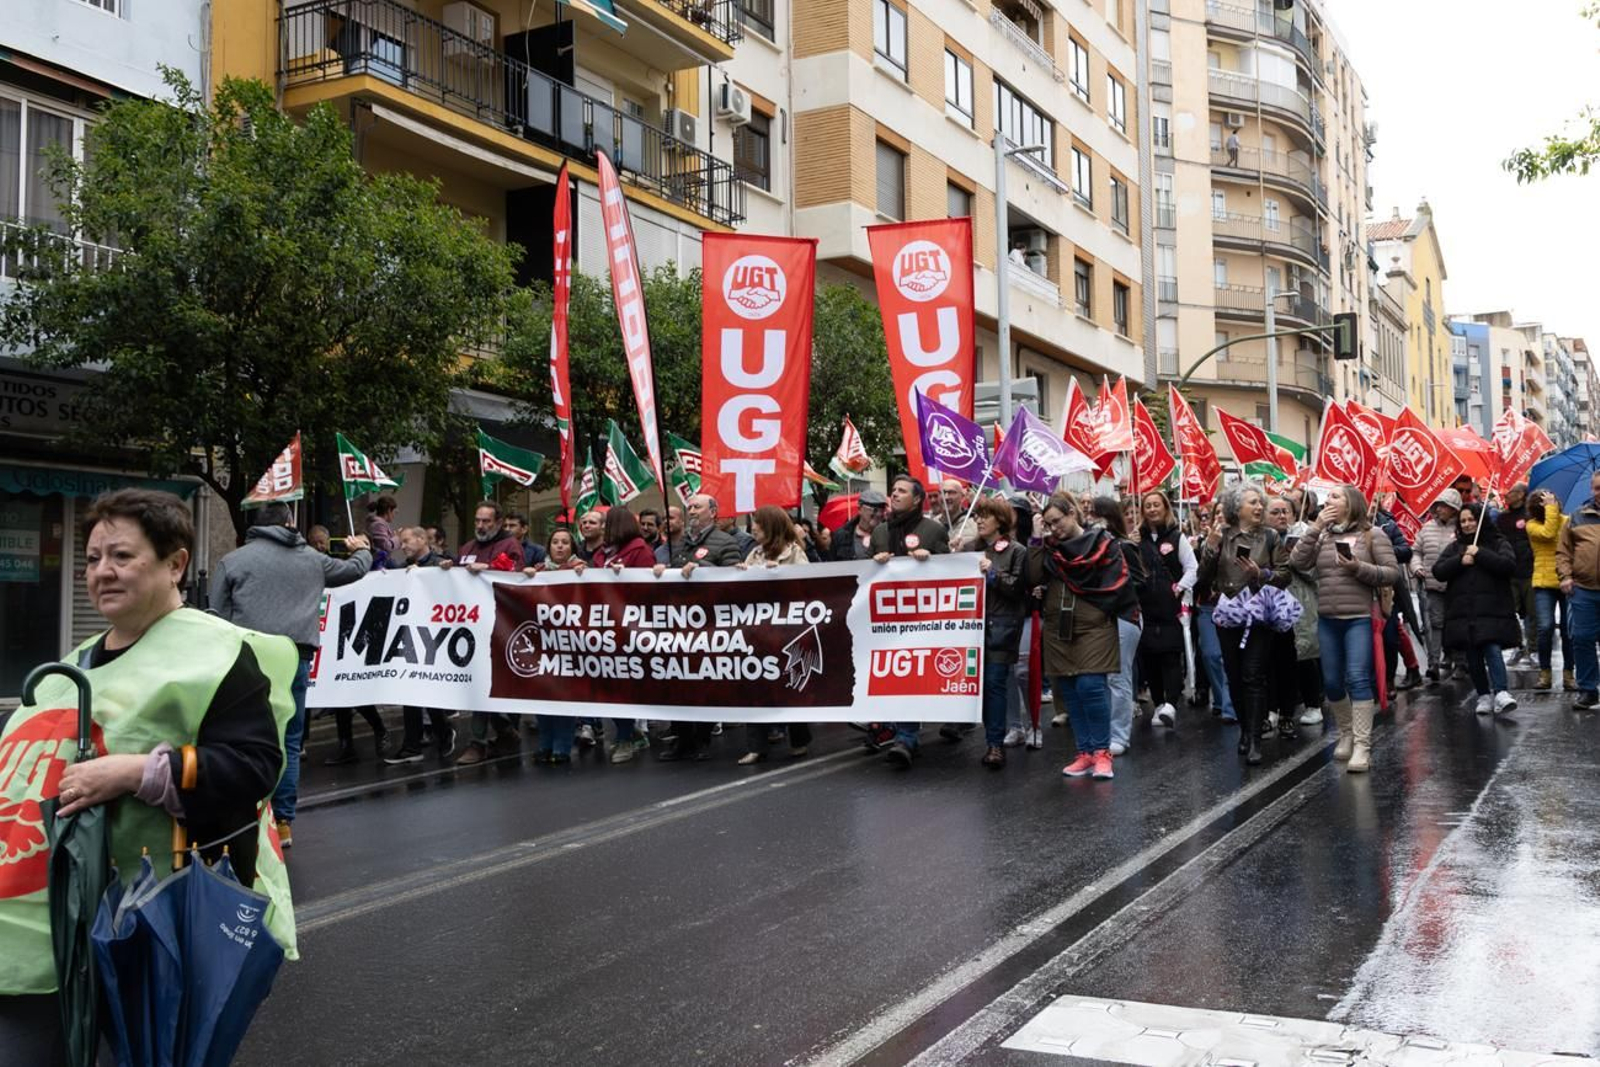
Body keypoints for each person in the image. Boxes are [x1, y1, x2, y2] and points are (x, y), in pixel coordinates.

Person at [0, 490, 297, 1056]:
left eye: (121, 556)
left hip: (151, 930)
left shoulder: (218, 653)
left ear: (175, 564)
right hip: (36, 931)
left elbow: (253, 769)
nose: (102, 573)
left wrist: (138, 772)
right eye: (92, 560)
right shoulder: (72, 663)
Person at [209, 501, 372, 845]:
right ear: (290, 522)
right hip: (293, 658)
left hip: (245, 660)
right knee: (288, 740)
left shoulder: (233, 561)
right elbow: (353, 571)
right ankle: (282, 822)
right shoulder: (312, 559)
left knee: (240, 736)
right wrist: (363, 551)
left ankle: (244, 814)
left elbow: (217, 617)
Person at [1288, 484, 1399, 773]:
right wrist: (1315, 527)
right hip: (1327, 617)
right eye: (1328, 498)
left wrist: (1357, 567)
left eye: (1336, 497)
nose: (1329, 501)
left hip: (1359, 617)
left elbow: (1392, 572)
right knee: (1333, 683)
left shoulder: (1372, 534)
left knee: (1357, 678)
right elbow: (1297, 562)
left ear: (1352, 503)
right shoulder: (1323, 534)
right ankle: (1346, 733)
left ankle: (1362, 745)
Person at [1028, 492, 1132, 781]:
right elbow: (1034, 576)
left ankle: (1102, 753)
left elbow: (1117, 583)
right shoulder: (1050, 548)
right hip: (1059, 626)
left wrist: (1098, 610)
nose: (1055, 528)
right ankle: (1084, 752)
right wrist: (1036, 539)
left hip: (1094, 625)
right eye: (1048, 524)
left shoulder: (1102, 542)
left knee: (1091, 685)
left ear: (1072, 514)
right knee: (1070, 688)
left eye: (1057, 521)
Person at [1199, 483, 1290, 764]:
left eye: (1260, 502)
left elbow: (1285, 575)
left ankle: (1254, 738)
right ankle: (1245, 728)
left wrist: (1260, 573)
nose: (1259, 507)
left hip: (1259, 615)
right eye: (1253, 502)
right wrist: (1211, 548)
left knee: (1254, 675)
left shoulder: (1271, 536)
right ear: (1237, 509)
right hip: (1228, 616)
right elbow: (1203, 578)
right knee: (1235, 675)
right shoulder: (1222, 536)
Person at [653, 494, 745, 761]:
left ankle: (702, 739)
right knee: (679, 682)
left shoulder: (726, 542)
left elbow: (734, 581)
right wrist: (662, 570)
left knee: (705, 683)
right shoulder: (678, 544)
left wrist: (702, 567)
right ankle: (683, 739)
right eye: (689, 507)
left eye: (697, 507)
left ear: (713, 512)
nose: (691, 511)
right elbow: (674, 574)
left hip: (709, 625)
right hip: (679, 625)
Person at [873, 474, 952, 767]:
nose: (894, 494)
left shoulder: (933, 530)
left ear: (917, 499)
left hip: (922, 618)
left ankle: (906, 737)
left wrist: (932, 559)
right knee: (893, 677)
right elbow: (867, 575)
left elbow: (952, 571)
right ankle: (901, 733)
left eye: (902, 491)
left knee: (911, 676)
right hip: (888, 618)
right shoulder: (881, 531)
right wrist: (875, 562)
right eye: (893, 490)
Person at [440, 501, 526, 765]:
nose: (480, 525)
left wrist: (488, 570)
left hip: (499, 627)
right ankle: (503, 730)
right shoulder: (467, 548)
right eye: (477, 520)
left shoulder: (510, 546)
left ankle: (478, 742)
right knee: (477, 684)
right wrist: (446, 567)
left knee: (486, 685)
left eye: (486, 521)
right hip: (470, 628)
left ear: (498, 523)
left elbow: (518, 579)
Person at [734, 506, 814, 765]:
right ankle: (756, 746)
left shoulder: (795, 553)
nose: (752, 528)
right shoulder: (754, 554)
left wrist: (780, 576)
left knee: (790, 685)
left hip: (786, 634)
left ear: (770, 526)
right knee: (754, 685)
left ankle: (799, 739)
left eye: (757, 523)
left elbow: (808, 588)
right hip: (757, 634)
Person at [1433, 502, 1521, 716]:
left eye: (1471, 519)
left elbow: (1508, 566)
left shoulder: (1497, 542)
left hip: (1492, 608)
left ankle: (1501, 692)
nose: (1467, 524)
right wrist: (1459, 561)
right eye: (1463, 521)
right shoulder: (1455, 547)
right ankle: (1483, 694)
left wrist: (1480, 553)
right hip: (1464, 612)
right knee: (1472, 654)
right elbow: (1438, 571)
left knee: (1491, 648)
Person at [383, 526, 458, 764]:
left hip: (435, 637)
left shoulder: (441, 563)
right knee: (411, 691)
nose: (402, 546)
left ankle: (443, 732)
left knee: (428, 692)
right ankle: (412, 745)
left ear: (421, 539)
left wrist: (432, 573)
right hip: (411, 635)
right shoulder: (402, 567)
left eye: (406, 541)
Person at [1089, 496, 1147, 757]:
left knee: (1118, 676)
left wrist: (1109, 592)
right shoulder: (1088, 548)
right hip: (1098, 619)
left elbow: (1139, 583)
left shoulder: (1123, 546)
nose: (1089, 519)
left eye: (1094, 514)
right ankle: (1102, 732)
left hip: (1124, 616)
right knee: (1098, 677)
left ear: (1107, 517)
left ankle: (1120, 735)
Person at [972, 496, 1027, 768]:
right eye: (977, 515)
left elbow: (1017, 588)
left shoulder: (1016, 551)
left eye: (986, 515)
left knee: (994, 683)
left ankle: (995, 744)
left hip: (1001, 628)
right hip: (971, 628)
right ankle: (991, 735)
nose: (979, 520)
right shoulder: (971, 548)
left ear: (1000, 521)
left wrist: (993, 573)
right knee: (980, 686)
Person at [1137, 491, 1197, 730]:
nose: (1152, 509)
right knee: (1149, 656)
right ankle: (1159, 703)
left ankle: (1171, 703)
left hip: (1170, 607)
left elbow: (1192, 568)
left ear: (1165, 508)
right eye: (1148, 505)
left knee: (1171, 655)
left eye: (1156, 505)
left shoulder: (1176, 537)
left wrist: (1179, 587)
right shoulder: (1137, 540)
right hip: (1145, 608)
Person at [1267, 495, 1325, 729]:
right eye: (1276, 512)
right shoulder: (1262, 538)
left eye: (1286, 511)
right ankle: (1276, 708)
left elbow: (1317, 572)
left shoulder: (1306, 536)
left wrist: (1297, 558)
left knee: (1305, 655)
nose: (1282, 516)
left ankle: (1314, 704)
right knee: (1274, 659)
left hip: (1300, 601)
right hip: (1271, 605)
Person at [1557, 469, 1600, 710]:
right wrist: (1565, 576)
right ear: (1591, 490)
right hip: (1583, 589)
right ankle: (1588, 690)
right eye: (1597, 488)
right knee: (1582, 640)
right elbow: (1563, 551)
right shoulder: (1577, 517)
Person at [1526, 489, 1573, 691]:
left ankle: (1568, 674)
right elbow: (1548, 533)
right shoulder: (1531, 525)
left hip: (1567, 580)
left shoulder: (1568, 520)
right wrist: (1551, 508)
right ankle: (1545, 673)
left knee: (1568, 630)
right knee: (1545, 628)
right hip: (1544, 582)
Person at [1413, 489, 1461, 681]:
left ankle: (1460, 662)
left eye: (1443, 505)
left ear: (1453, 508)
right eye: (1437, 505)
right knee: (1435, 624)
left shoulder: (1462, 528)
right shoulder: (1427, 528)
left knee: (1456, 624)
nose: (1439, 509)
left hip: (1457, 586)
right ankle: (1433, 663)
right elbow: (1416, 551)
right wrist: (1416, 566)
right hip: (1433, 585)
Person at [1494, 483, 1537, 662]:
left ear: (1521, 495)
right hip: (1509, 573)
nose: (1507, 495)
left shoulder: (1530, 516)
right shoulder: (1502, 518)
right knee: (1511, 612)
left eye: (1510, 491)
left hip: (1529, 572)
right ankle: (1517, 645)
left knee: (1533, 614)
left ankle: (1533, 648)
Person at [831, 490, 887, 561]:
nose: (878, 514)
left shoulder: (888, 534)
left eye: (882, 510)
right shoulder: (841, 535)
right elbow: (832, 565)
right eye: (874, 510)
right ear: (860, 509)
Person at [935, 478, 979, 551]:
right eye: (942, 492)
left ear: (963, 497)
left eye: (952, 492)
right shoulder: (932, 524)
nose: (946, 497)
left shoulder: (975, 525)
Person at [366, 493, 399, 563]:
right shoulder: (378, 525)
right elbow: (385, 546)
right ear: (389, 510)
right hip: (380, 562)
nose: (394, 515)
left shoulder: (381, 524)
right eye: (394, 512)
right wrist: (397, 538)